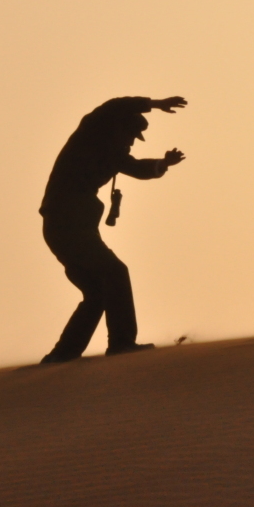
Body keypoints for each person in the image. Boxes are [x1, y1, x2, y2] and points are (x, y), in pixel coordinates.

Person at [38, 96, 187, 363]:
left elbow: (138, 168)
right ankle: (122, 343)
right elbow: (112, 107)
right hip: (65, 225)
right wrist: (155, 103)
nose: (131, 142)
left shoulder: (113, 157)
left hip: (72, 229)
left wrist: (163, 164)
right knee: (115, 272)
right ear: (116, 128)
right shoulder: (90, 136)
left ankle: (63, 355)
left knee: (97, 293)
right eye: (130, 135)